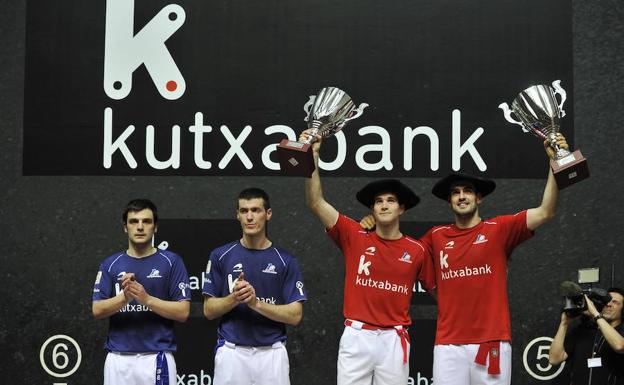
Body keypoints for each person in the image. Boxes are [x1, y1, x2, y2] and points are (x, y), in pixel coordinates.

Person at [419, 133, 569, 385]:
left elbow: (546, 211)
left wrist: (554, 164)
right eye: (455, 193)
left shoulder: (499, 229)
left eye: (468, 191)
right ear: (449, 201)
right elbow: (399, 250)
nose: (462, 196)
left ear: (479, 198)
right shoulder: (435, 236)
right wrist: (371, 224)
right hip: (448, 345)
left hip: (491, 341)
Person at [300, 129, 435, 385]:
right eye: (379, 202)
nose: (384, 205)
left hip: (393, 341)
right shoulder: (355, 235)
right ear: (372, 209)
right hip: (356, 337)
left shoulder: (416, 250)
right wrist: (312, 157)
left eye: (391, 201)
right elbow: (316, 202)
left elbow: (441, 291)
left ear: (401, 208)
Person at [202, 187, 307, 385]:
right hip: (232, 354)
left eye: (256, 210)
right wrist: (235, 298)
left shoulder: (285, 260)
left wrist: (255, 303)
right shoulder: (220, 255)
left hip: (272, 355)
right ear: (238, 215)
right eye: (244, 211)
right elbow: (208, 310)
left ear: (268, 214)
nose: (249, 217)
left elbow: (295, 315)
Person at [92, 199, 191, 385]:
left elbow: (183, 312)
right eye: (133, 221)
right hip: (118, 360)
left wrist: (146, 299)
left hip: (156, 358)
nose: (140, 227)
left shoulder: (172, 262)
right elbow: (97, 310)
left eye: (146, 221)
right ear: (125, 227)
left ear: (155, 227)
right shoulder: (110, 264)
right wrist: (125, 297)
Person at [549, 288, 624, 385]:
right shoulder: (582, 331)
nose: (608, 304)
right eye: (606, 300)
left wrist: (595, 314)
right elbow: (554, 359)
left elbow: (620, 346)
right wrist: (564, 324)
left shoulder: (621, 331)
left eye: (615, 302)